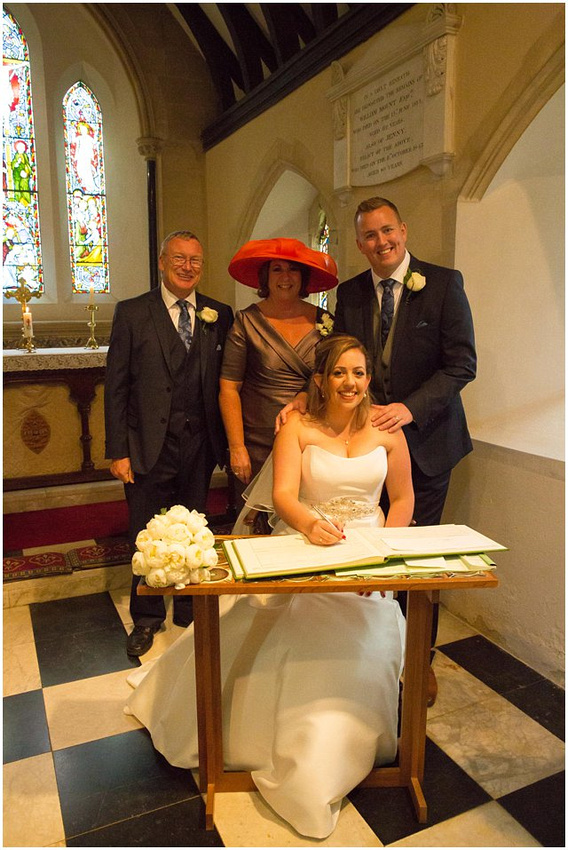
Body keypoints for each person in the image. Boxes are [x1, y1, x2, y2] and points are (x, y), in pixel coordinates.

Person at [124, 335, 414, 839]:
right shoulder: (297, 428)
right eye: (340, 373)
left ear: (369, 379)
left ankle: (357, 747)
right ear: (320, 380)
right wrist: (308, 523)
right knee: (290, 637)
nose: (350, 383)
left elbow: (404, 497)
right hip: (311, 546)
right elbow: (282, 495)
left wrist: (381, 558)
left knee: (369, 644)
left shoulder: (388, 431)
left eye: (360, 373)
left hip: (370, 558)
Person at [104, 230, 233, 657]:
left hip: (199, 444)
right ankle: (146, 617)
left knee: (196, 529)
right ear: (162, 262)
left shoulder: (219, 313)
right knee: (145, 533)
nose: (187, 266)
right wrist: (118, 450)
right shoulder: (133, 313)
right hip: (146, 444)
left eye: (195, 260)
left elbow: (225, 381)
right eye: (179, 258)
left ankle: (189, 607)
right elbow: (116, 386)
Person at [219, 237, 337, 495]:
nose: (286, 276)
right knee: (257, 527)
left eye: (293, 269)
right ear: (265, 277)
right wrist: (237, 447)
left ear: (303, 276)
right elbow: (229, 388)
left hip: (312, 437)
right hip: (259, 441)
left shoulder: (325, 321)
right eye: (277, 269)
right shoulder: (246, 321)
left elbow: (334, 377)